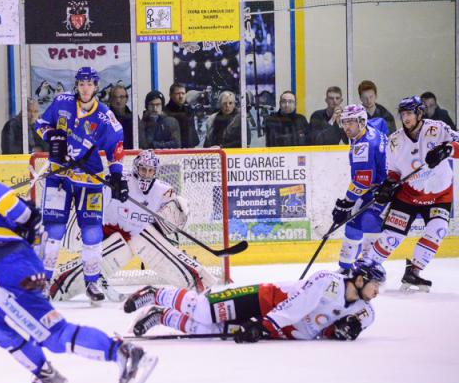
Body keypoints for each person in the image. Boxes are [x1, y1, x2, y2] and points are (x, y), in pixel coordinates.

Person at [0, 172, 157, 383]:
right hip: (12, 269)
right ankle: (46, 374)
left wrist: (27, 230)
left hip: (2, 274)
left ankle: (125, 353)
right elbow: (23, 214)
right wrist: (31, 234)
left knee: (54, 335)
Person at [48, 150, 217, 301]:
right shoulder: (120, 181)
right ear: (136, 168)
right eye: (143, 169)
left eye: (150, 171)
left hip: (132, 237)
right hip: (103, 234)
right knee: (119, 244)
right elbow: (93, 208)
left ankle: (198, 282)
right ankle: (61, 282)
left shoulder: (163, 190)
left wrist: (180, 212)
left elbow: (176, 217)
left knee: (138, 241)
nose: (146, 174)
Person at [34, 66, 127, 303]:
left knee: (92, 231)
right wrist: (52, 136)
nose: (85, 88)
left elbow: (116, 148)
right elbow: (41, 124)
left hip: (89, 181)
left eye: (90, 83)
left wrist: (117, 176)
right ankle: (43, 283)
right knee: (53, 230)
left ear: (96, 87)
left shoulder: (105, 116)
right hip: (59, 177)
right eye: (81, 83)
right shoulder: (61, 102)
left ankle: (92, 282)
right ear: (76, 85)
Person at [124, 261, 385, 342]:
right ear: (360, 279)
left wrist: (339, 331)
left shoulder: (366, 311)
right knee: (204, 311)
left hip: (276, 330)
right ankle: (155, 293)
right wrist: (264, 325)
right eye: (375, 284)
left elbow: (335, 327)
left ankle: (161, 316)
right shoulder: (329, 281)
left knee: (206, 331)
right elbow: (297, 307)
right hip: (263, 302)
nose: (377, 292)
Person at [366, 96, 459, 292]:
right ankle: (367, 267)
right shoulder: (395, 140)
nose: (406, 118)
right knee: (392, 236)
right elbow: (393, 170)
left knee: (438, 231)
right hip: (408, 194)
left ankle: (414, 272)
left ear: (419, 113)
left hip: (440, 194)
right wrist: (389, 184)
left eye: (409, 113)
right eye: (403, 114)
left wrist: (448, 150)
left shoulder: (438, 128)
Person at [331, 105, 387, 272]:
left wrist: (346, 202)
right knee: (366, 225)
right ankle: (362, 267)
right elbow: (382, 123)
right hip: (381, 188)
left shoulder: (363, 146)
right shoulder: (371, 127)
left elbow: (363, 181)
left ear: (362, 122)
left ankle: (352, 269)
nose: (347, 127)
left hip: (379, 192)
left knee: (358, 224)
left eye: (351, 122)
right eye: (344, 122)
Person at [163, 82, 199, 148]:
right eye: (177, 94)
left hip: (189, 149)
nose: (181, 96)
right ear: (170, 95)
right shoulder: (165, 112)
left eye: (183, 93)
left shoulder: (189, 110)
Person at [108, 85, 134, 149]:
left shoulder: (133, 118)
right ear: (110, 99)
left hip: (130, 155)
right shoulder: (105, 118)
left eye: (121, 97)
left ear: (126, 99)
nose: (118, 100)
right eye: (115, 97)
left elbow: (141, 142)